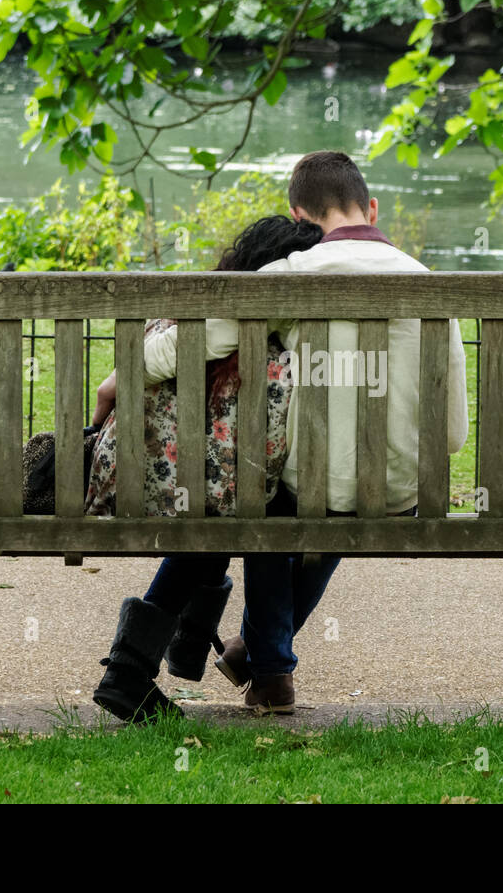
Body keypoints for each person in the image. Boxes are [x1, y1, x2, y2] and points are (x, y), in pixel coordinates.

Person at [128, 150, 469, 714]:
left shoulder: (289, 275)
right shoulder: (427, 283)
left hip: (312, 488)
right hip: (402, 489)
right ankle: (256, 656)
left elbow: (200, 344)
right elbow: (452, 433)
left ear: (300, 218)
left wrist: (129, 369)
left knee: (273, 495)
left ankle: (271, 673)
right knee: (328, 497)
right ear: (372, 207)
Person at [87, 216, 323, 723]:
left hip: (134, 487)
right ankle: (140, 665)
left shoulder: (178, 325)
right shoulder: (275, 362)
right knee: (244, 511)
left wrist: (114, 382)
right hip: (209, 499)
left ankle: (171, 651)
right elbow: (270, 465)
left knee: (216, 511)